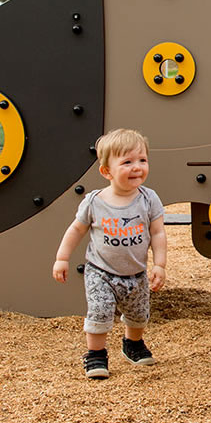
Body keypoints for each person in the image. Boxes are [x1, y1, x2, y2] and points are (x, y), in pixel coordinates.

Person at [53, 128, 168, 380]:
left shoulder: (149, 200)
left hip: (135, 274)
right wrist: (63, 257)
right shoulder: (95, 202)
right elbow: (76, 230)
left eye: (142, 160)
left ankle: (132, 345)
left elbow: (158, 233)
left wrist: (159, 264)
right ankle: (96, 354)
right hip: (100, 272)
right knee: (100, 312)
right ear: (107, 171)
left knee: (138, 315)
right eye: (127, 162)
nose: (137, 167)